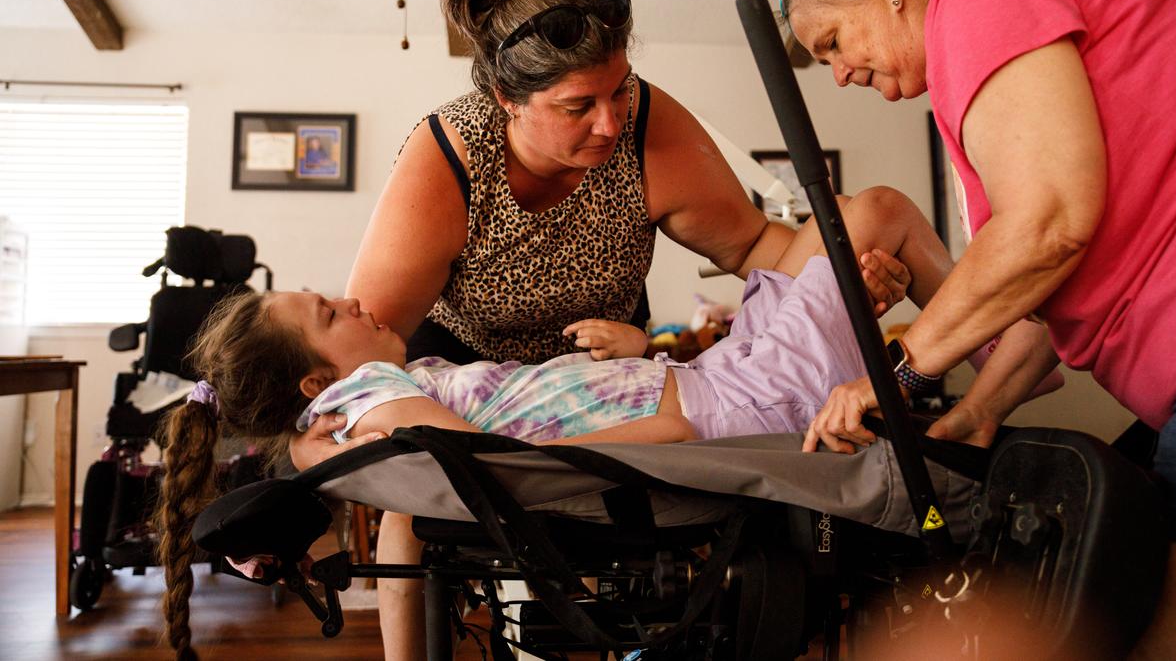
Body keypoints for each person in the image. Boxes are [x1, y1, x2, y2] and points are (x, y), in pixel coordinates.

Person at [156, 185, 1037, 660]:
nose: (351, 298)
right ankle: (994, 379)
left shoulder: (358, 419)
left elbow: (448, 481)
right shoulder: (379, 407)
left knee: (848, 236)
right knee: (873, 215)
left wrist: (638, 357)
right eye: (327, 310)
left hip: (707, 385)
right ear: (318, 375)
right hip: (733, 410)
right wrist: (675, 418)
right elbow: (493, 460)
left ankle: (988, 371)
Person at [777, 0, 1176, 658]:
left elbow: (1047, 227)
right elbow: (1050, 275)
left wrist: (899, 373)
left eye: (832, 41)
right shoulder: (994, 8)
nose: (837, 75)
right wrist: (979, 408)